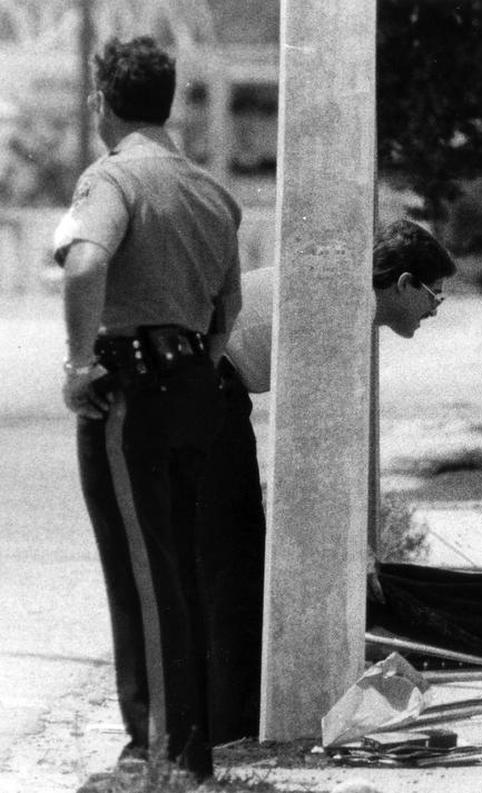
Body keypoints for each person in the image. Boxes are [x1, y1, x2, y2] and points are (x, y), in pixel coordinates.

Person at [53, 36, 242, 779]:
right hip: (195, 381)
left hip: (130, 387)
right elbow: (225, 311)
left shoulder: (113, 178)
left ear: (102, 101)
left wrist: (78, 365)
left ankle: (159, 751)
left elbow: (86, 262)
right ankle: (189, 745)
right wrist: (197, 359)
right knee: (180, 567)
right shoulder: (209, 192)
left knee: (140, 572)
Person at [198, 218, 456, 743]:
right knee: (236, 564)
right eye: (434, 296)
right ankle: (227, 722)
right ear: (404, 284)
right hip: (206, 389)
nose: (434, 310)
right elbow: (313, 441)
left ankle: (227, 715)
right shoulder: (341, 306)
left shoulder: (340, 294)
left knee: (237, 559)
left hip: (214, 388)